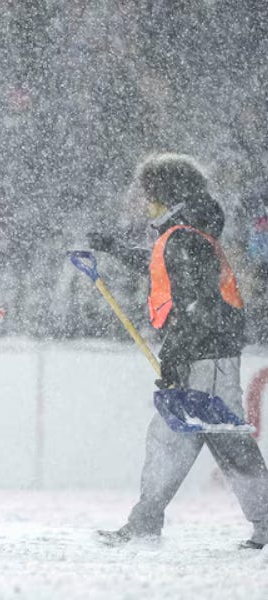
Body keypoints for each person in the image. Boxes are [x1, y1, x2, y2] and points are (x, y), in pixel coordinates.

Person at [87, 153, 268, 549]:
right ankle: (145, 521)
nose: (143, 202)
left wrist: (174, 356)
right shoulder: (183, 234)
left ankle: (264, 522)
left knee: (227, 441)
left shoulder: (185, 237)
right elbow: (164, 268)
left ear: (163, 194)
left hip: (207, 356)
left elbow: (196, 306)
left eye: (147, 193)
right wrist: (116, 248)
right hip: (201, 353)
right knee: (170, 437)